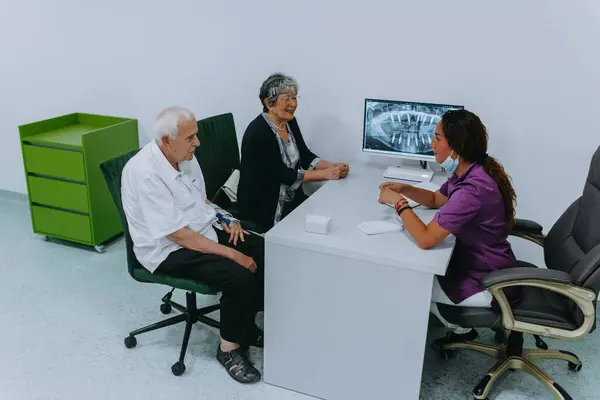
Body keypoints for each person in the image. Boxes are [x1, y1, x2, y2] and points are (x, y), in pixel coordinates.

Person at [121, 106, 264, 384]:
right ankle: (228, 349)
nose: (197, 143)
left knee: (261, 250)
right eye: (190, 138)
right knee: (239, 273)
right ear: (166, 140)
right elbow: (178, 236)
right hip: (167, 250)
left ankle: (245, 326)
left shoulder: (184, 156)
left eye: (196, 135)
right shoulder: (145, 173)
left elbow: (203, 201)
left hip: (200, 230)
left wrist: (227, 219)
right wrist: (233, 254)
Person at [378, 109, 520, 348]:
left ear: (456, 146)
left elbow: (425, 239)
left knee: (410, 285)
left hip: (487, 281)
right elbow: (436, 199)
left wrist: (398, 202)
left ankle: (461, 330)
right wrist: (405, 189)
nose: (431, 143)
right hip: (484, 263)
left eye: (437, 138)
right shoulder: (472, 170)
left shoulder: (471, 190)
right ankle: (459, 328)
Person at [238, 73, 350, 232]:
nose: (293, 103)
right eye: (286, 98)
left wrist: (332, 166)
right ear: (269, 103)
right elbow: (284, 174)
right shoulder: (258, 132)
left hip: (290, 200)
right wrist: (327, 174)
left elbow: (305, 155)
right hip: (265, 206)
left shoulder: (289, 121)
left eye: (295, 97)